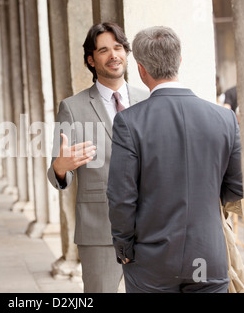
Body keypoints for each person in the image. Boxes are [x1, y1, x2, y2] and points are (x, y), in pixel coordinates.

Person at [107, 26, 243, 293]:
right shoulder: (225, 119)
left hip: (152, 259)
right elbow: (236, 188)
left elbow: (122, 197)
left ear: (141, 69)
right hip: (207, 255)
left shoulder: (128, 122)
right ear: (179, 61)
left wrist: (123, 247)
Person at [47, 22, 148, 293]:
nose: (114, 55)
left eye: (118, 48)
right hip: (99, 229)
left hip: (152, 227)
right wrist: (60, 168)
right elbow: (58, 174)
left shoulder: (149, 99)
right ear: (91, 60)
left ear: (127, 53)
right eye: (104, 50)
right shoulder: (72, 107)